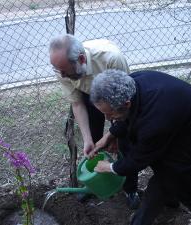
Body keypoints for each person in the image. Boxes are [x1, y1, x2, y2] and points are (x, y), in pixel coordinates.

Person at [88, 69, 191, 225]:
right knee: (166, 174)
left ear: (126, 104)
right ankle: (171, 202)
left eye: (109, 114)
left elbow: (137, 160)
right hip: (183, 131)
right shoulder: (132, 83)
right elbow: (130, 115)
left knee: (163, 183)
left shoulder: (155, 121)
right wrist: (109, 135)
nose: (107, 118)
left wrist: (109, 167)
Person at [49, 34, 140, 208]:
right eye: (57, 70)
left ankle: (130, 188)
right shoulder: (62, 68)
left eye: (65, 71)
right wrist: (88, 140)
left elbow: (126, 103)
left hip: (116, 94)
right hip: (89, 96)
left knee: (127, 142)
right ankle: (95, 184)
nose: (61, 75)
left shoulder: (111, 58)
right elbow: (77, 103)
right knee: (94, 142)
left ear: (81, 59)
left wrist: (115, 135)